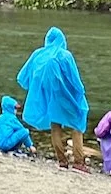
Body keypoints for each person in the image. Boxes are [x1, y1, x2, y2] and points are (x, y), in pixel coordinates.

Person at [18, 27, 89, 172]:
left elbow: (23, 77)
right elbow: (74, 79)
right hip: (67, 96)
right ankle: (79, 161)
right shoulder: (65, 55)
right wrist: (80, 92)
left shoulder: (38, 54)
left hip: (50, 97)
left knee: (55, 126)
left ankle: (62, 160)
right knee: (77, 124)